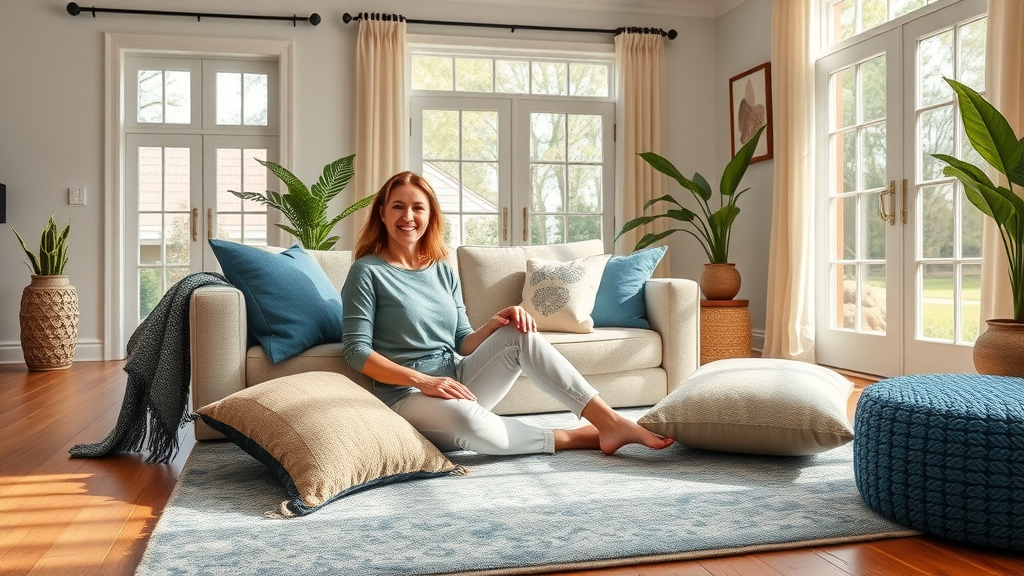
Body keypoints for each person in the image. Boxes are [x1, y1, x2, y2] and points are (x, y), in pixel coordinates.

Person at [340, 171, 673, 456]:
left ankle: (608, 421)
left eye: (418, 208)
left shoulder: (442, 271)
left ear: (430, 217)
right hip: (406, 395)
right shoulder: (367, 271)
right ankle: (572, 437)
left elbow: (462, 343)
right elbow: (356, 351)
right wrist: (423, 381)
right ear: (382, 213)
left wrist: (497, 322)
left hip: (458, 381)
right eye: (398, 206)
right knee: (469, 424)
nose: (408, 217)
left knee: (520, 332)